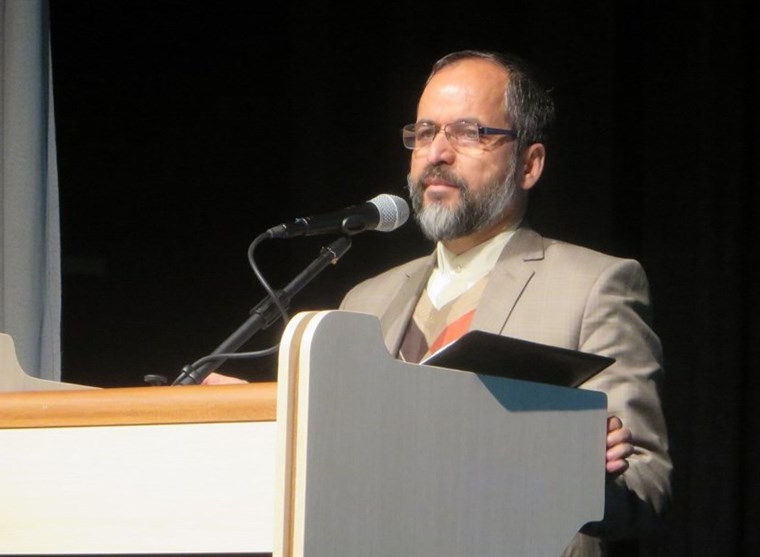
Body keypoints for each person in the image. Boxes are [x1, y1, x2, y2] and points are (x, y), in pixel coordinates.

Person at [206, 49, 672, 556]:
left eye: (468, 132)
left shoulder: (592, 285)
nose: (437, 153)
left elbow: (644, 485)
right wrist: (269, 423)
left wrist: (570, 469)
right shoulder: (366, 301)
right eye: (425, 133)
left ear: (529, 164)